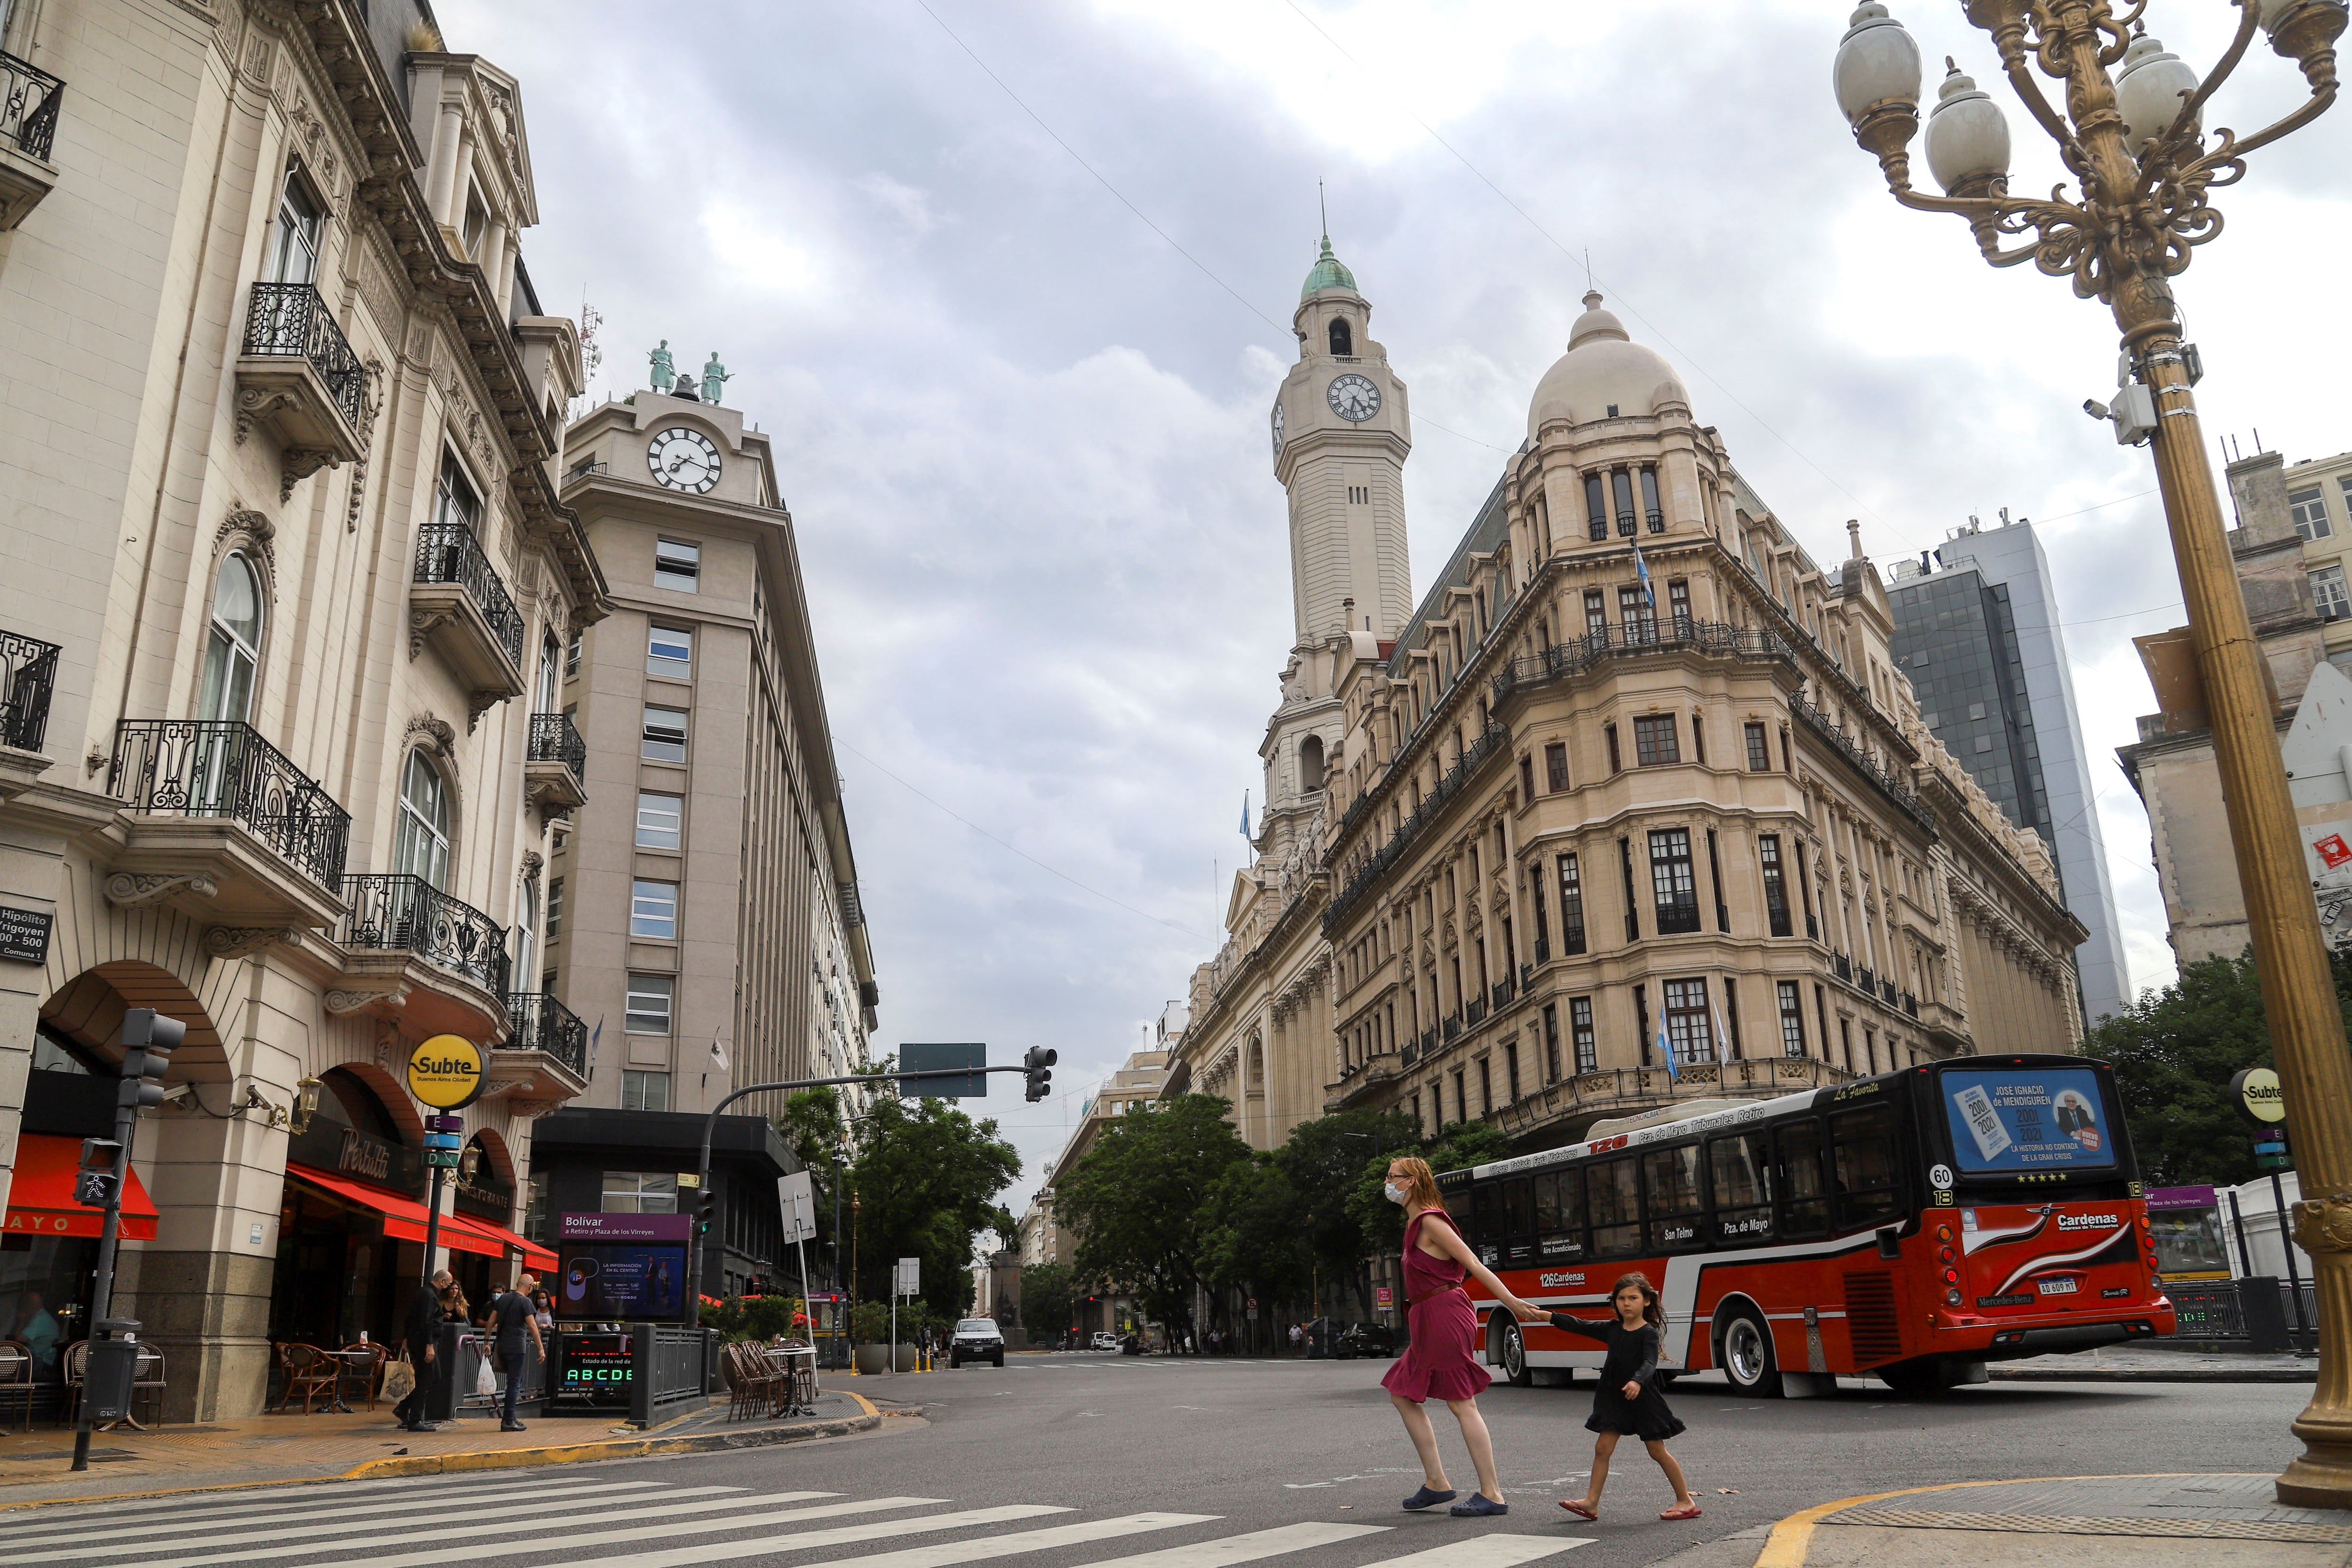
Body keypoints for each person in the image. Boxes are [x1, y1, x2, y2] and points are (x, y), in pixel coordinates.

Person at [1379, 1155, 1548, 1518]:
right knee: (1402, 1392)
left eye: (1392, 1176)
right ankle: (1437, 1482)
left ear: (1411, 1181)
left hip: (1444, 1313)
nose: (1387, 1183)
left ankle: (1493, 1493)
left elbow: (1474, 1264)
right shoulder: (1414, 1225)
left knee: (1462, 1402)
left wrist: (1513, 1303)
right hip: (1427, 1316)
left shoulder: (1431, 1222)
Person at [1555, 1273, 1699, 1523]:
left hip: (1643, 1400)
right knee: (1603, 1448)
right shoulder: (1612, 1329)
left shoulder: (1648, 1333)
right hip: (1615, 1399)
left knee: (1657, 1451)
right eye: (1621, 1298)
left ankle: (1685, 1500)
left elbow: (1650, 1362)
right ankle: (1591, 1503)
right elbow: (1580, 1325)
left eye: (1633, 1298)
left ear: (1646, 1301)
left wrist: (1637, 1380)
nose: (1626, 1303)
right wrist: (1548, 1316)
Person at [485, 1273, 546, 1432]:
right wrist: (540, 1348)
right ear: (529, 1286)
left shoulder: (503, 1299)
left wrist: (486, 1342)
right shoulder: (525, 1302)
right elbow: (532, 1326)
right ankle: (508, 1420)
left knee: (515, 1382)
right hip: (517, 1347)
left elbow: (491, 1321)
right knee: (514, 1384)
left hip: (502, 1345)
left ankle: (510, 1417)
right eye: (532, 1287)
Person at [395, 1269, 451, 1432]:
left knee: (434, 1376)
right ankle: (415, 1419)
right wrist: (429, 1345)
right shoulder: (429, 1295)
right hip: (424, 1343)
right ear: (442, 1282)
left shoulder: (425, 1293)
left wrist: (407, 1337)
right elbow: (426, 1321)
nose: (446, 1289)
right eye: (447, 1285)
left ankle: (404, 1408)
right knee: (427, 1378)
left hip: (421, 1341)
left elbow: (411, 1318)